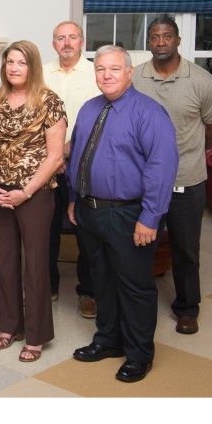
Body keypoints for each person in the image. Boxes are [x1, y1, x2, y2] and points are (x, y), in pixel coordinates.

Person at [69, 46, 178, 383]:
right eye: (100, 69)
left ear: (130, 72)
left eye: (114, 69)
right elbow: (78, 157)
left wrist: (151, 217)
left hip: (129, 215)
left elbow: (162, 167)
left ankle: (139, 354)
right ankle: (108, 340)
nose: (106, 75)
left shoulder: (149, 113)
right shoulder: (89, 109)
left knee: (134, 287)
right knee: (101, 280)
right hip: (90, 212)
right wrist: (75, 197)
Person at [132, 15, 212, 335]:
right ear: (148, 42)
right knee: (141, 245)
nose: (161, 42)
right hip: (143, 181)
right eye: (155, 37)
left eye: (167, 36)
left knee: (186, 248)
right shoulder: (135, 78)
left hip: (187, 178)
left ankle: (187, 308)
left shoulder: (200, 80)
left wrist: (187, 152)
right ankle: (139, 304)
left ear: (178, 40)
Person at [0, 40, 66, 363]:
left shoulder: (49, 101)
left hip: (35, 194)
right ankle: (9, 326)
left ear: (33, 66)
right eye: (10, 62)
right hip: (0, 192)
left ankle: (36, 334)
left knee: (35, 264)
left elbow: (56, 156)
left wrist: (26, 191)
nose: (14, 68)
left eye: (21, 62)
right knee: (4, 260)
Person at [43, 20, 101, 317]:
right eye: (61, 38)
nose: (66, 43)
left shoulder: (96, 73)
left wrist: (66, 149)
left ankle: (88, 291)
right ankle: (48, 284)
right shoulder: (41, 72)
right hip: (46, 166)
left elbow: (102, 118)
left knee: (84, 228)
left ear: (82, 41)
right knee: (47, 226)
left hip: (84, 163)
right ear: (54, 43)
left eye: (72, 37)